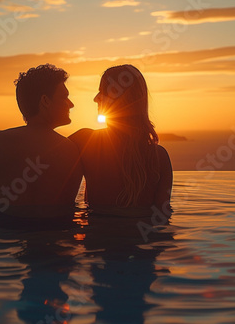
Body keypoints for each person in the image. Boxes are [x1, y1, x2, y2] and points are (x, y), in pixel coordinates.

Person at [0, 64, 83, 224]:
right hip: (55, 236)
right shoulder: (70, 149)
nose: (71, 104)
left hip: (4, 234)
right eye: (64, 97)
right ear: (45, 101)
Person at [69, 64, 173, 216]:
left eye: (102, 92)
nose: (95, 98)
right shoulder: (160, 157)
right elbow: (162, 218)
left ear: (119, 99)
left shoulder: (86, 141)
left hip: (98, 236)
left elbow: (45, 156)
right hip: (143, 238)